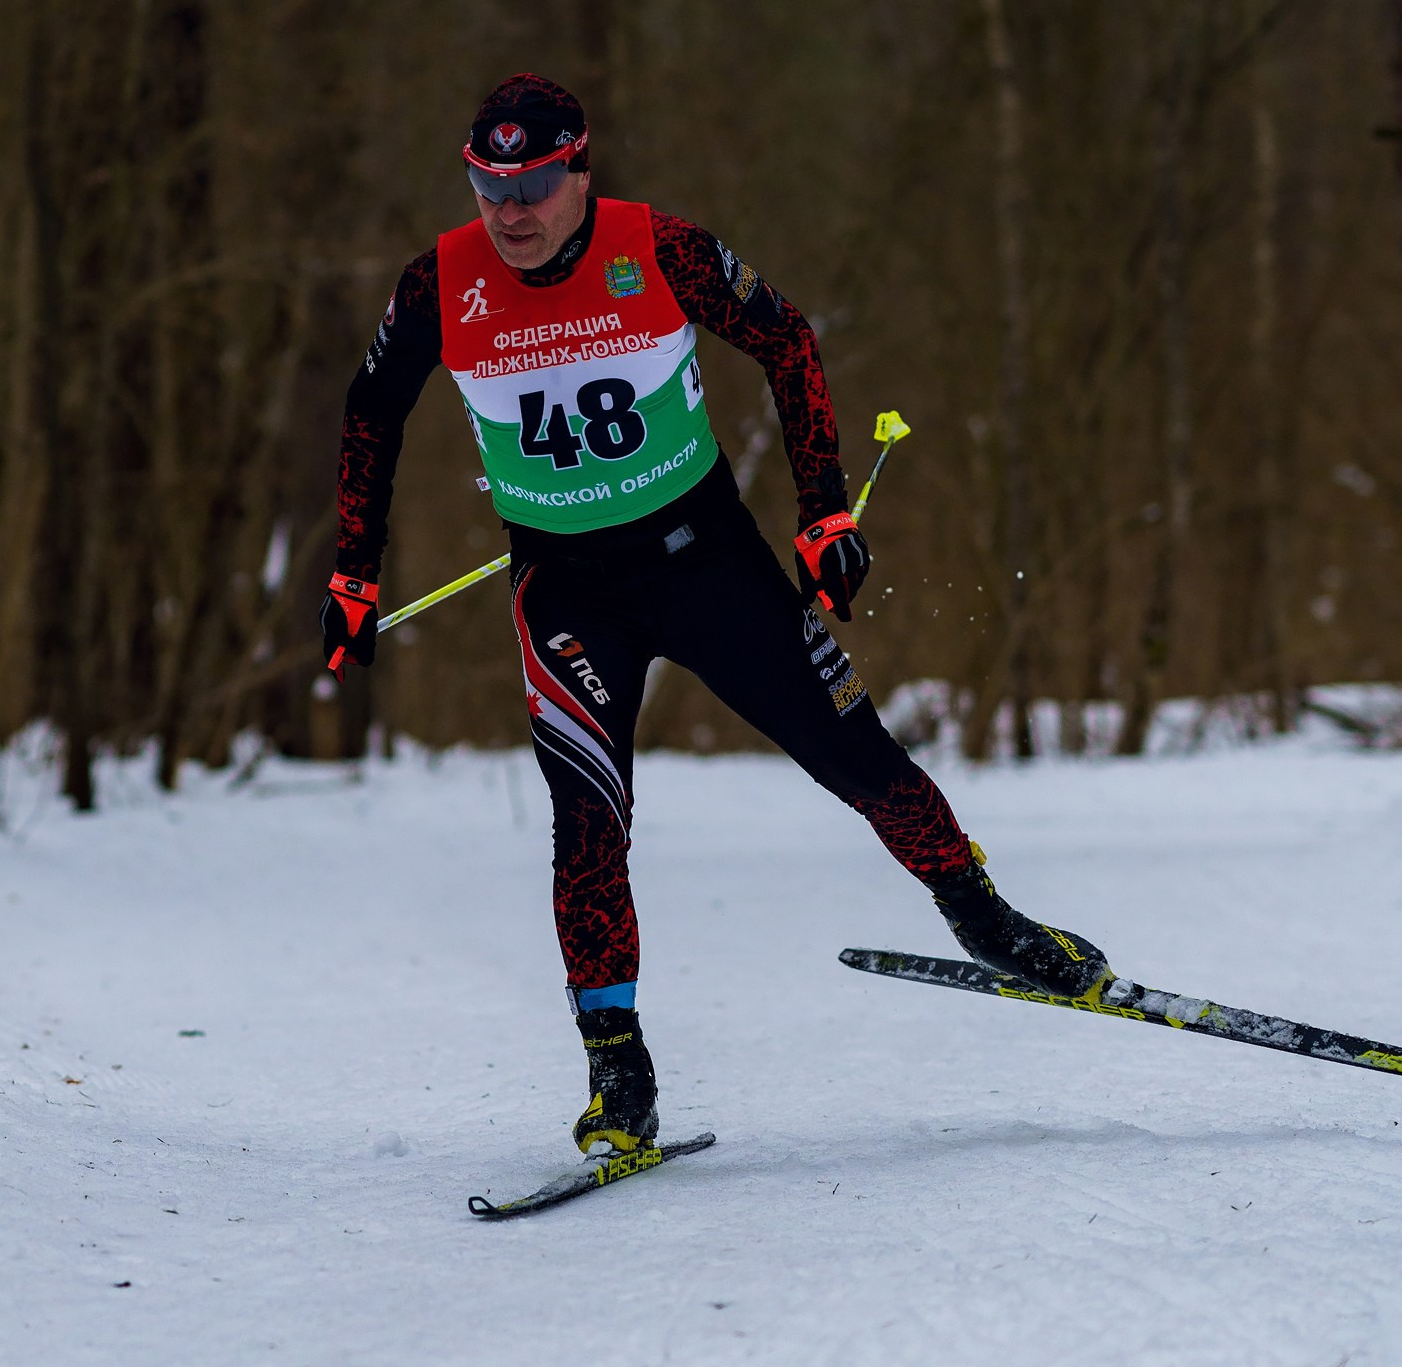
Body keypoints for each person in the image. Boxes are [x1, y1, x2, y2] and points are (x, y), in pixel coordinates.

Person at [321, 71, 1110, 1159]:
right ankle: (618, 1072)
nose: (513, 209)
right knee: (586, 825)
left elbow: (788, 340)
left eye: (538, 181)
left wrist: (823, 510)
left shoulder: (660, 250)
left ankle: (985, 922)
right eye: (489, 183)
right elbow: (371, 408)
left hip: (706, 563)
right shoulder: (438, 284)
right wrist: (352, 572)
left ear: (580, 170)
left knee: (858, 756)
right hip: (564, 591)